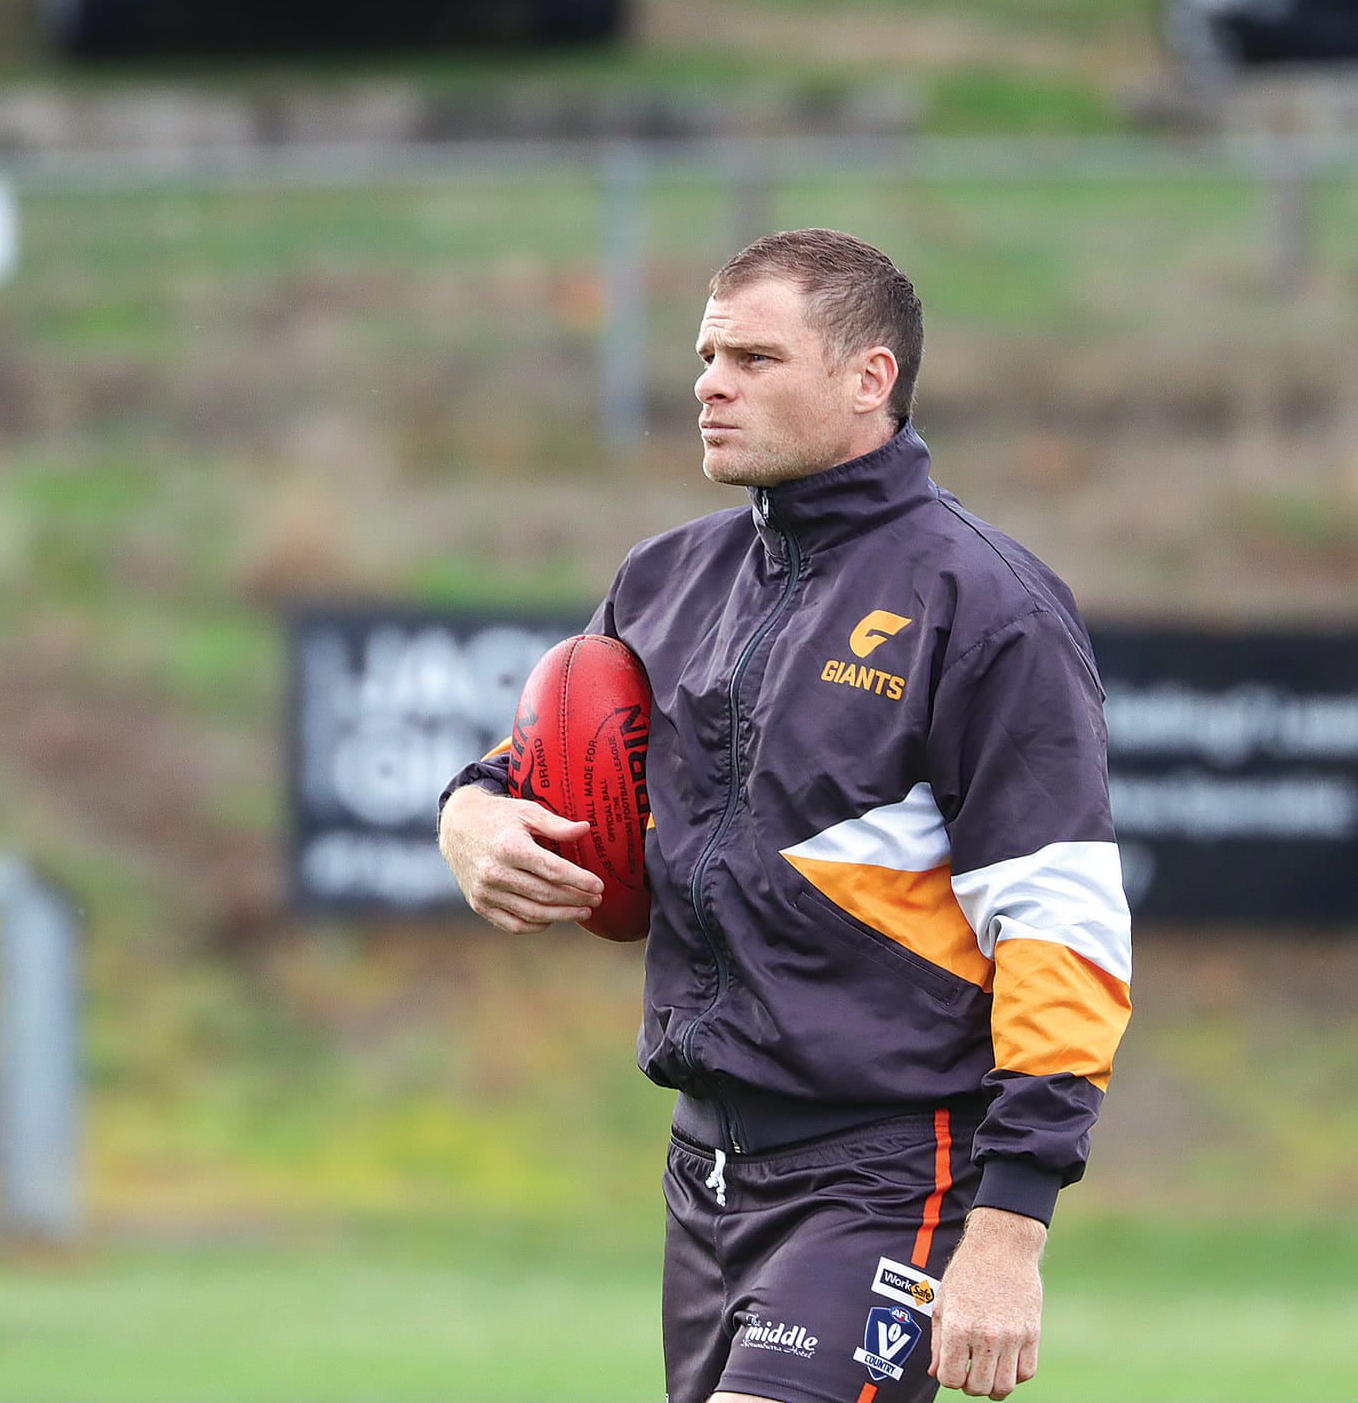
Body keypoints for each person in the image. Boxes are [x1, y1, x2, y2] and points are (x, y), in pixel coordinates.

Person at [437, 229, 1132, 1403]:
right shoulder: (664, 579)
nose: (709, 383)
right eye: (706, 355)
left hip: (886, 1169)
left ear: (869, 379)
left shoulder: (984, 605)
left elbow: (1062, 927)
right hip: (702, 1173)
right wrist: (469, 813)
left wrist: (1009, 1228)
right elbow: (534, 767)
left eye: (754, 357)